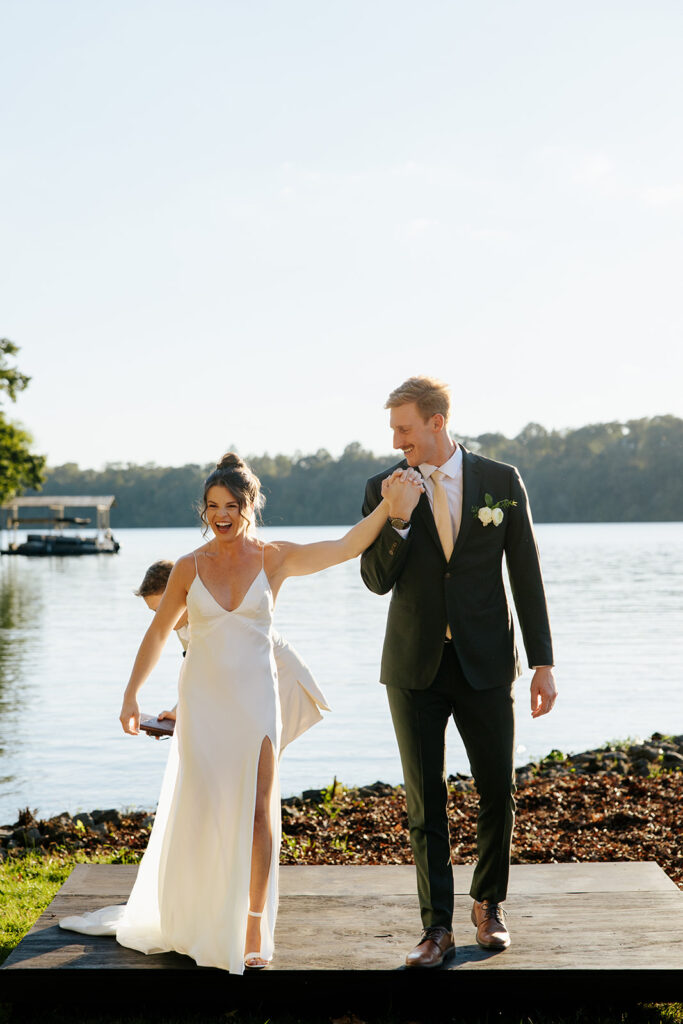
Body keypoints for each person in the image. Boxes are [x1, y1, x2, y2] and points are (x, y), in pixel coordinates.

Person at [61, 453, 422, 974]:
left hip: (256, 701)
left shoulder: (274, 558)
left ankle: (252, 922)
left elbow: (345, 547)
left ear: (250, 505)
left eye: (231, 505)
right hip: (203, 703)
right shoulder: (188, 566)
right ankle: (202, 915)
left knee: (258, 811)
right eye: (212, 506)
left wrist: (389, 506)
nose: (221, 515)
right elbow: (158, 633)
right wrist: (130, 695)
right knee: (204, 808)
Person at [360, 376, 556, 968]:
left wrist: (543, 663)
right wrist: (397, 521)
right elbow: (375, 580)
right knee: (425, 802)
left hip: (487, 661)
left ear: (437, 422)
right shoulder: (382, 487)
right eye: (394, 430)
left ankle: (488, 904)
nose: (397, 441)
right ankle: (436, 928)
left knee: (497, 788)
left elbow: (526, 573)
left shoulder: (501, 482)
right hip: (413, 666)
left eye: (405, 429)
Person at [134, 558, 333, 749]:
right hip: (248, 687)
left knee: (255, 760)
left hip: (279, 681)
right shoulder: (180, 623)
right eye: (155, 612)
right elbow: (197, 672)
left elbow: (214, 676)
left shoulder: (212, 614)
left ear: (181, 593)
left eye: (162, 609)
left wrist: (184, 713)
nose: (161, 618)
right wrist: (177, 713)